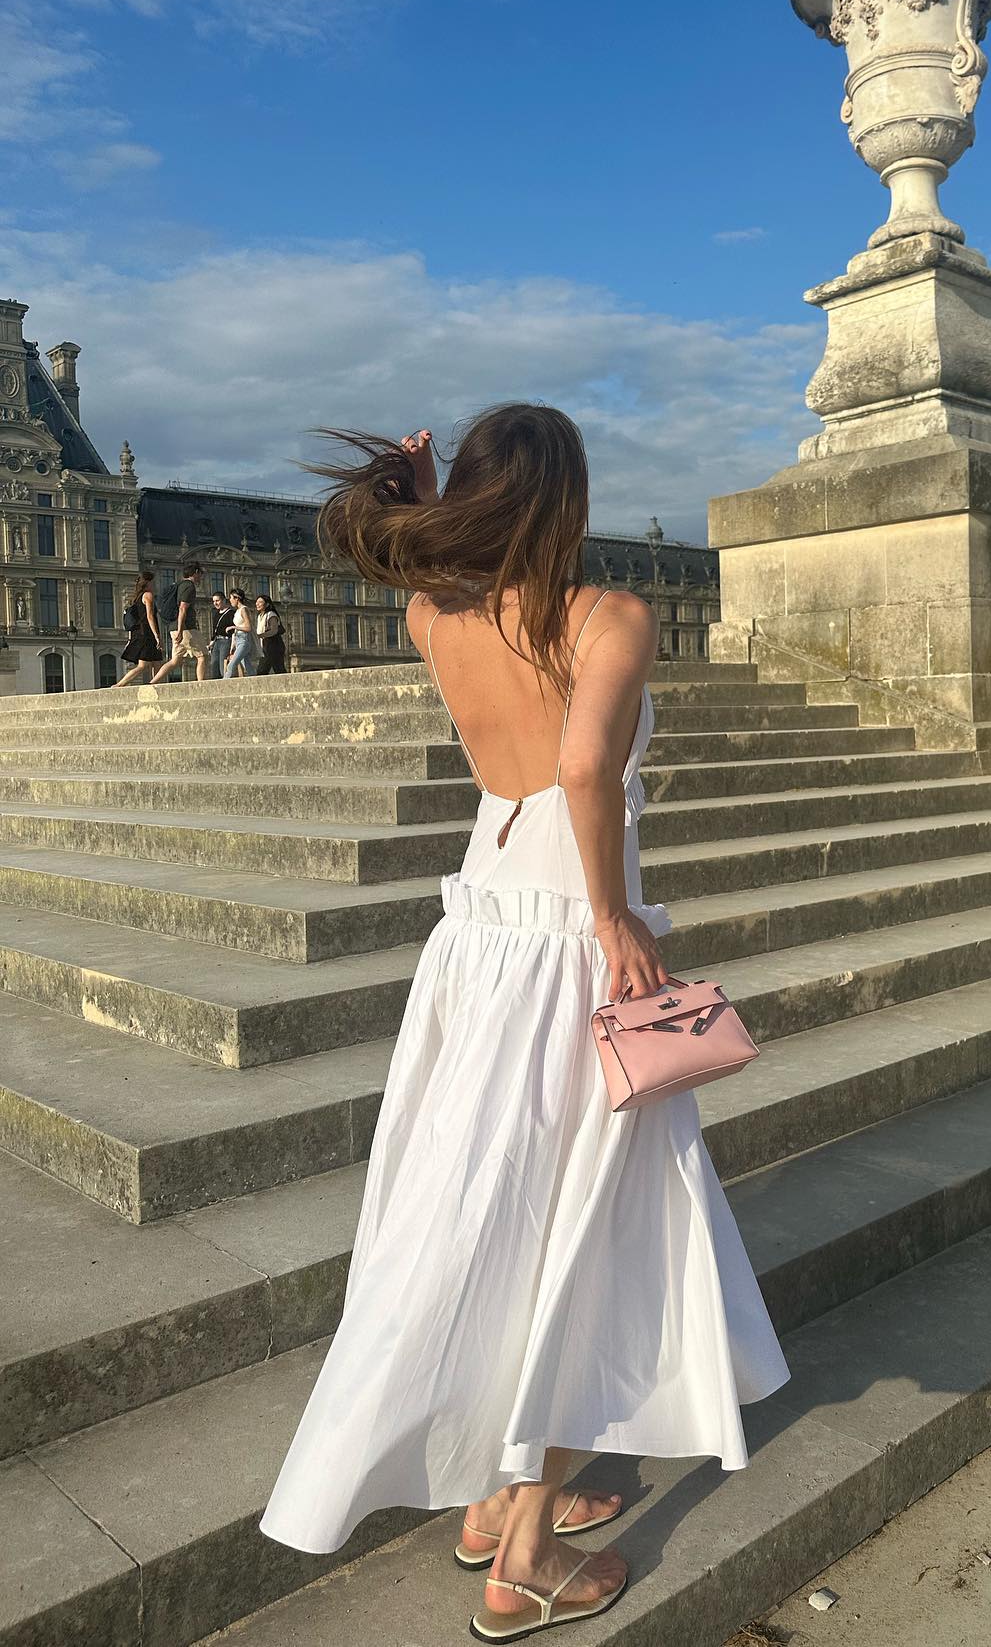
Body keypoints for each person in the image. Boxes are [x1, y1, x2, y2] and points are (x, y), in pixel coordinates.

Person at [259, 408, 787, 1637]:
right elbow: (588, 766)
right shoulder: (609, 616)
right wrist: (616, 920)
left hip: (480, 927)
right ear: (570, 499)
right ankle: (528, 1558)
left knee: (486, 1210)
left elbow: (402, 560)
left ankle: (499, 1499)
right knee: (584, 1231)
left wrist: (406, 487)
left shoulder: (431, 614)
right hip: (561, 935)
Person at [150, 560, 209, 683]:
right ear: (196, 572)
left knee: (175, 661)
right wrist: (181, 630)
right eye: (200, 574)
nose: (201, 578)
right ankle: (202, 686)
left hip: (173, 628)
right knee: (202, 656)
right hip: (186, 628)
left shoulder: (179, 585)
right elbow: (182, 608)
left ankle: (152, 682)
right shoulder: (189, 586)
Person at [115, 570, 163, 686]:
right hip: (147, 633)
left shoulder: (136, 598)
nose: (155, 585)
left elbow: (133, 620)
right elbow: (150, 616)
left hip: (139, 632)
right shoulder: (148, 595)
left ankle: (155, 685)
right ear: (148, 583)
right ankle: (120, 684)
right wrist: (157, 635)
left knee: (156, 662)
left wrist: (130, 639)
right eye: (153, 582)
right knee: (143, 665)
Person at [224, 589, 257, 677]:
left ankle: (223, 685)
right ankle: (256, 684)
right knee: (248, 666)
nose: (230, 600)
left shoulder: (243, 610)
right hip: (239, 640)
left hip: (244, 640)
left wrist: (233, 627)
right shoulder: (238, 611)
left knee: (231, 665)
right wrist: (233, 645)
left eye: (231, 598)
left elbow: (248, 627)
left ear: (237, 598)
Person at [254, 594, 286, 674]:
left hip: (273, 645)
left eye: (260, 602)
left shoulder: (271, 614)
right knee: (279, 670)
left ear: (267, 604)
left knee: (262, 671)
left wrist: (260, 636)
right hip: (266, 645)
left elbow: (274, 631)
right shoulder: (259, 616)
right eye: (256, 602)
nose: (257, 604)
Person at [208, 591, 236, 680]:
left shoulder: (231, 613)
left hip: (226, 641)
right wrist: (211, 642)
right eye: (214, 601)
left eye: (217, 600)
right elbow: (215, 630)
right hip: (217, 642)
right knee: (213, 665)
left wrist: (233, 645)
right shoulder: (216, 614)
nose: (215, 603)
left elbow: (234, 631)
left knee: (222, 666)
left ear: (224, 600)